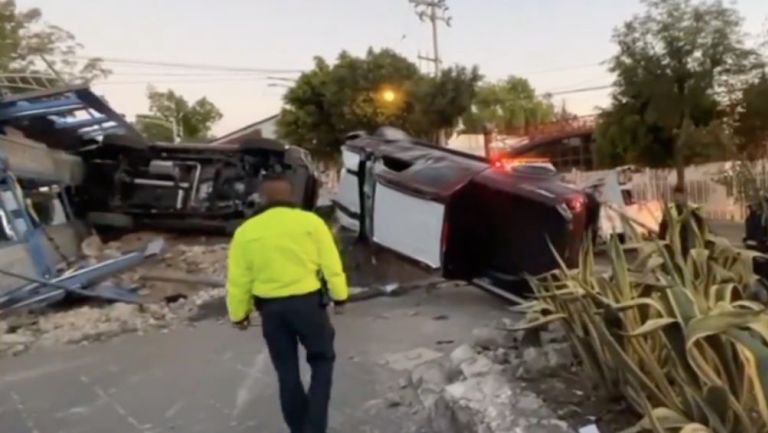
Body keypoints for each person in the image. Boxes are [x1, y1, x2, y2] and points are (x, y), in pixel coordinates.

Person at [226, 173, 349, 433]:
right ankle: (314, 427)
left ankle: (299, 428)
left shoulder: (246, 231)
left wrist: (239, 314)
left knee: (287, 371)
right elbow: (331, 264)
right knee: (322, 360)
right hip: (308, 306)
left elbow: (238, 279)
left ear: (263, 197)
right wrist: (340, 296)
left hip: (271, 311)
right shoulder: (311, 223)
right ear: (291, 195)